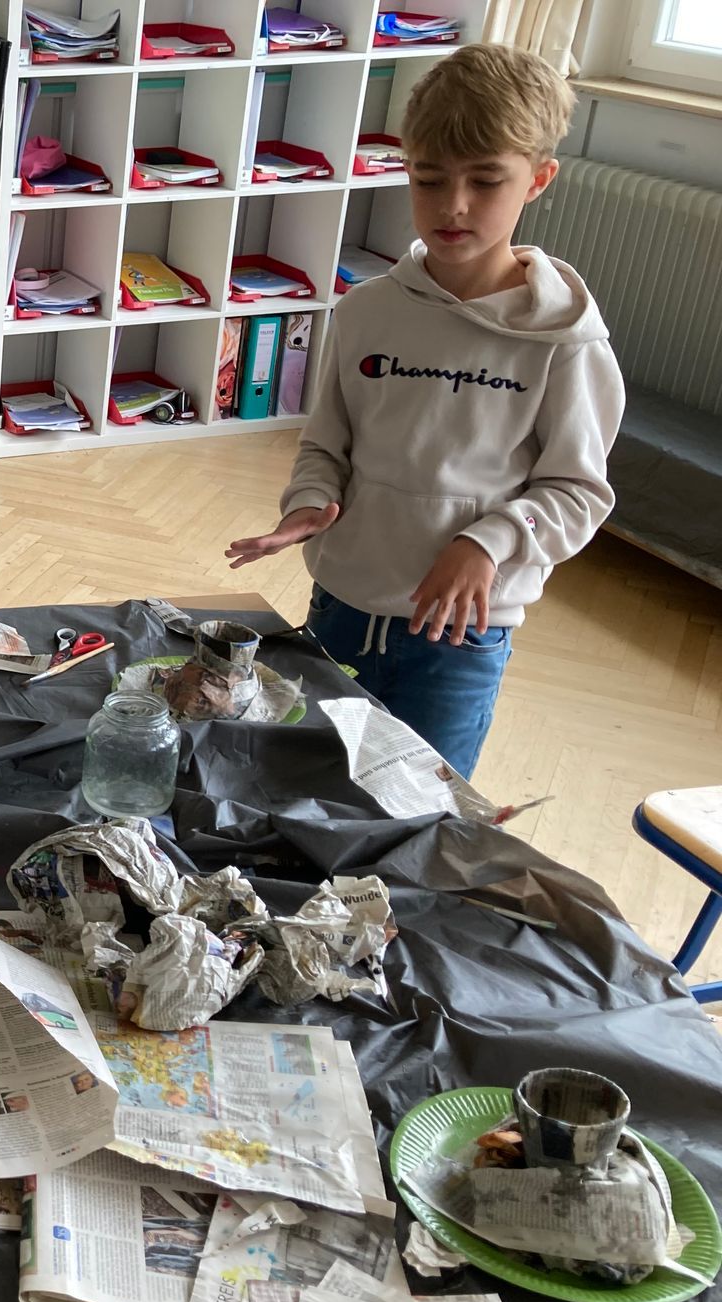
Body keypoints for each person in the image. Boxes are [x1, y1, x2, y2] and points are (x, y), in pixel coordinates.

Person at [225, 44, 623, 780]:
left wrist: (488, 543)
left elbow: (577, 493)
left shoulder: (566, 343)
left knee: (421, 806)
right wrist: (308, 503)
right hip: (342, 607)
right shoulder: (366, 312)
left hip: (459, 639)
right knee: (308, 785)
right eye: (429, 179)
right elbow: (325, 447)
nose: (453, 205)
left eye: (485, 180)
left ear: (538, 179)